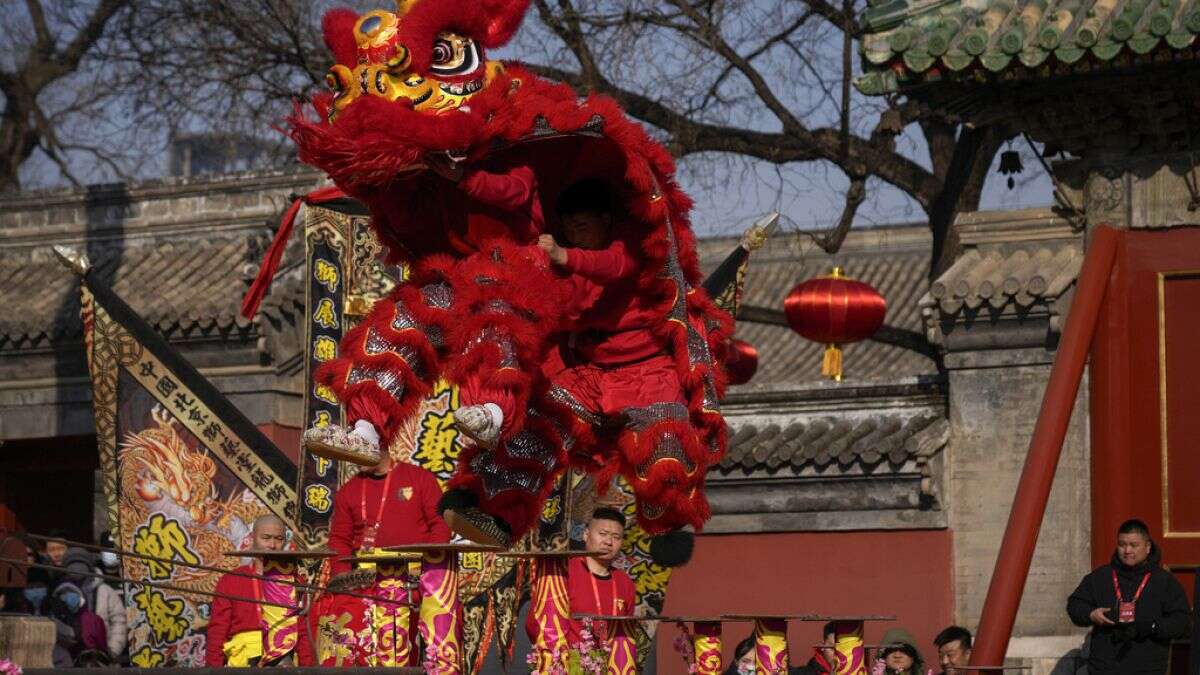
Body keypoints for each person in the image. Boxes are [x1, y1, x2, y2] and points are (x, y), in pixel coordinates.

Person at [1067, 518, 1189, 675]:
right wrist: (1091, 614)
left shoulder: (1164, 581)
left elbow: (1182, 621)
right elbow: (1074, 605)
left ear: (1147, 547)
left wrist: (1152, 627)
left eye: (1134, 545)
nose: (1127, 551)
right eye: (1122, 545)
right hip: (1104, 668)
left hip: (1147, 668)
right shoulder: (1100, 577)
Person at [205, 515, 314, 667]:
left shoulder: (295, 581)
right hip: (244, 662)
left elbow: (302, 634)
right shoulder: (231, 580)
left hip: (283, 661)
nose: (272, 545)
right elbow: (217, 633)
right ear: (252, 538)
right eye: (266, 538)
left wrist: (307, 669)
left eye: (279, 539)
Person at [524, 507, 636, 649]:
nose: (609, 542)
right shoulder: (563, 573)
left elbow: (626, 634)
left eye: (616, 537)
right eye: (603, 533)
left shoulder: (625, 582)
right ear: (585, 534)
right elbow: (534, 624)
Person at [326, 453, 451, 575]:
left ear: (381, 442)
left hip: (415, 577)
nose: (354, 455)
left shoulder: (420, 477)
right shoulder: (348, 490)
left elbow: (441, 524)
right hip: (367, 580)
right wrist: (343, 577)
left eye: (360, 448)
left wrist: (429, 567)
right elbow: (339, 539)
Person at [63, 546, 127, 661]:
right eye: (72, 564)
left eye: (80, 563)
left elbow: (119, 621)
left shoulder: (105, 591)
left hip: (102, 654)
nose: (77, 568)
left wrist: (113, 650)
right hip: (70, 657)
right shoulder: (60, 592)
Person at [52, 577, 110, 666]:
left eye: (71, 592)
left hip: (90, 664)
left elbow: (102, 646)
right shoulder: (54, 620)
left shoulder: (94, 619)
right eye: (63, 593)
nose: (68, 595)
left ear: (80, 595)